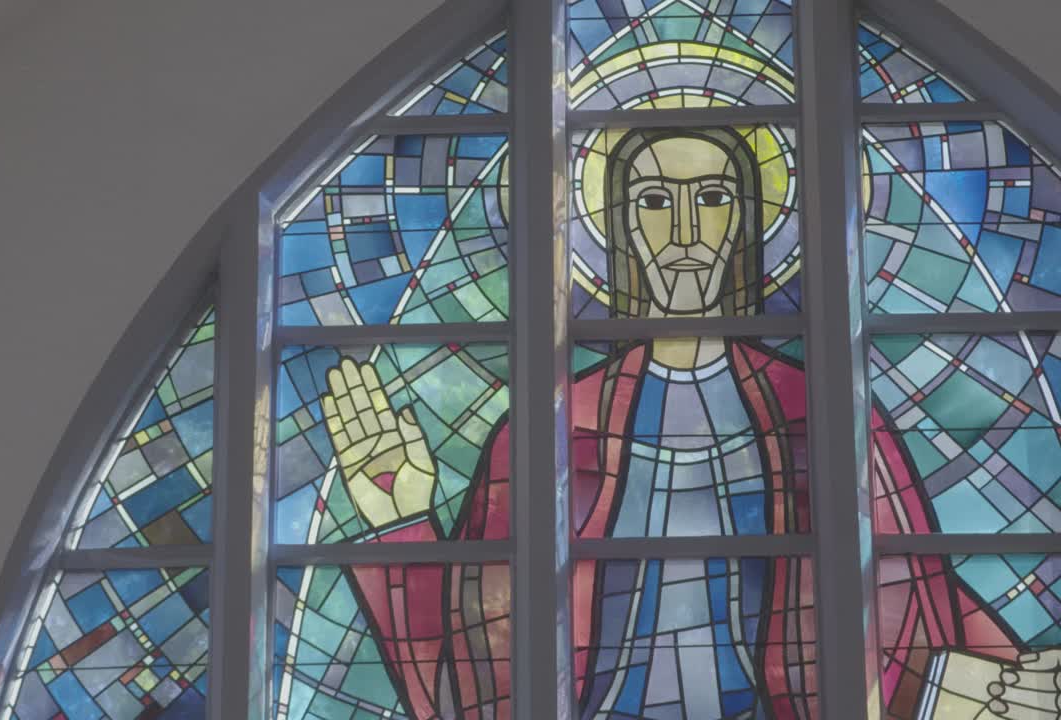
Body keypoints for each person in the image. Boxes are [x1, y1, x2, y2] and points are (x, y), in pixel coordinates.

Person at [319, 127, 1053, 719]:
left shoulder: (819, 412)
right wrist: (404, 521)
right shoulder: (550, 425)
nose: (685, 230)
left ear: (747, 221)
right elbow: (482, 659)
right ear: (616, 228)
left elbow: (902, 586)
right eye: (652, 202)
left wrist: (1001, 678)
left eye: (711, 198)